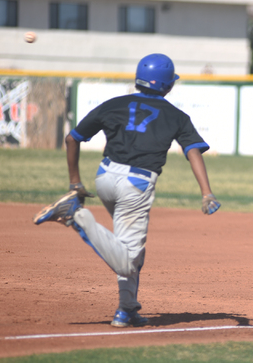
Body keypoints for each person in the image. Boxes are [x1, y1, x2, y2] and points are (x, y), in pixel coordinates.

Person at [32, 53, 221, 327]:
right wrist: (207, 192)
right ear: (168, 85)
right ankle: (77, 217)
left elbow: (72, 138)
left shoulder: (114, 105)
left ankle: (127, 309)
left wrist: (75, 183)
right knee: (127, 262)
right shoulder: (177, 116)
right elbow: (193, 152)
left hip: (105, 177)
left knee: (129, 249)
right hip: (137, 185)